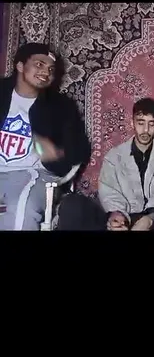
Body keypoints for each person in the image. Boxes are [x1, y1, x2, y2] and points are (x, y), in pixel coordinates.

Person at [0, 42, 91, 230]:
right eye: (39, 64)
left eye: (51, 69)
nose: (46, 72)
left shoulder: (60, 106)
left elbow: (80, 149)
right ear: (20, 66)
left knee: (23, 207)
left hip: (31, 173)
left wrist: (57, 152)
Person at [58, 97, 154, 231]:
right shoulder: (114, 156)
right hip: (123, 219)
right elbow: (109, 191)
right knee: (72, 203)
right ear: (132, 122)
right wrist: (117, 216)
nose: (145, 130)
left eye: (151, 124)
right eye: (141, 123)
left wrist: (149, 219)